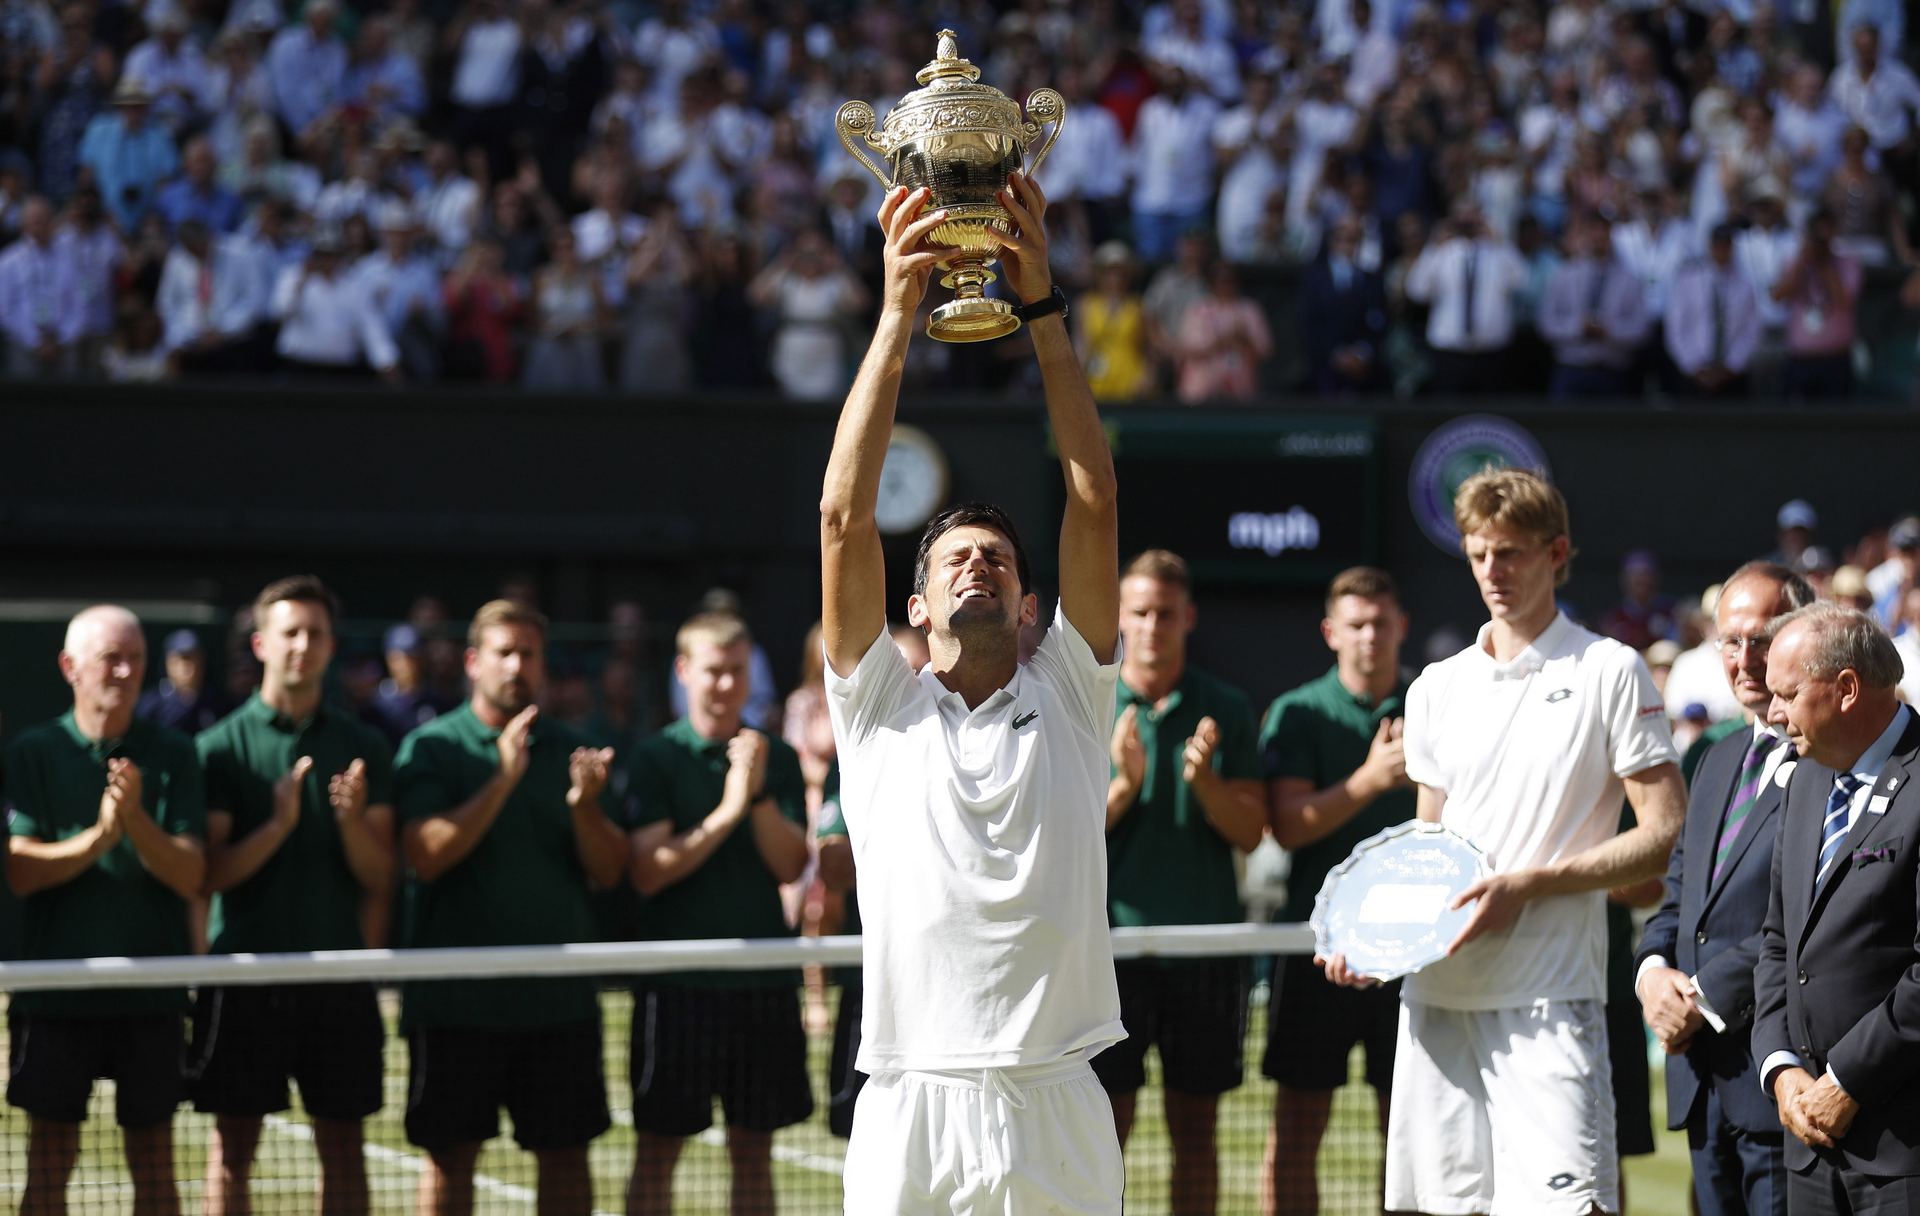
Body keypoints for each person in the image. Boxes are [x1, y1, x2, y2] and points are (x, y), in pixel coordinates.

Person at [819, 173, 1126, 1214]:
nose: (976, 566)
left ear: (1032, 601)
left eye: (996, 556)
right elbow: (841, 518)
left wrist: (1041, 306)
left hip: (1060, 1097)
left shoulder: (1077, 693)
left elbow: (1093, 495)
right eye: (953, 557)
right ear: (914, 603)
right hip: (911, 1099)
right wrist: (899, 314)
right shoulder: (878, 709)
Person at [1321, 468, 1687, 1216]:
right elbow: (1427, 852)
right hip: (1436, 1004)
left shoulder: (1610, 670)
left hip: (1552, 1000)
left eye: (1513, 553)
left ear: (1557, 554)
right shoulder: (1434, 688)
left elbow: (1665, 835)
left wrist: (1526, 886)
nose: (1494, 571)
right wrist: (1376, 944)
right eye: (1481, 553)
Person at [394, 599, 627, 1215]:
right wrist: (501, 775)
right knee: (449, 1160)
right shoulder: (432, 747)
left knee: (566, 1160)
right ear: (473, 662)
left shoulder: (577, 750)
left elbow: (609, 871)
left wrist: (585, 808)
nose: (517, 665)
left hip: (556, 1003)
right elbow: (424, 855)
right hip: (454, 1002)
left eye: (529, 653)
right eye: (504, 652)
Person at [190, 576, 396, 1216]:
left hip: (339, 978)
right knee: (232, 1153)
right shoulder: (219, 747)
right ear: (260, 643)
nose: (302, 646)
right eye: (289, 633)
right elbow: (210, 874)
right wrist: (278, 825)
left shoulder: (364, 746)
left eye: (315, 634)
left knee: (344, 1149)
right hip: (245, 975)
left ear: (333, 647)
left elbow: (380, 875)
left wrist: (351, 822)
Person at [6, 605, 206, 1216]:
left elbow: (192, 875)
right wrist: (98, 837)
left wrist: (135, 821)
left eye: (136, 658)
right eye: (110, 658)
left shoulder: (174, 752)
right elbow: (19, 870)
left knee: (154, 1161)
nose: (126, 671)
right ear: (70, 668)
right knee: (47, 1161)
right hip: (56, 994)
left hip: (150, 995)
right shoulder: (33, 752)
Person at [1634, 562, 1815, 1216]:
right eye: (1730, 642)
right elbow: (1679, 898)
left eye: (1761, 639)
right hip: (1702, 1081)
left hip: (1784, 1078)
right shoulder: (1715, 758)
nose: (1744, 660)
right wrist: (1653, 974)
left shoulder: (1830, 762)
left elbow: (1804, 920)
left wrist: (1702, 997)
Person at [624, 611, 813, 1216]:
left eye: (737, 672)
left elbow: (790, 866)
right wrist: (727, 812)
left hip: (761, 982)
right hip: (678, 985)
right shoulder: (656, 757)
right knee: (658, 1150)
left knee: (753, 1151)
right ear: (684, 672)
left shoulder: (775, 757)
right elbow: (649, 870)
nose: (726, 685)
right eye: (713, 671)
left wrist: (753, 791)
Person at [1095, 549, 1265, 1214]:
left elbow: (1252, 833)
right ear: (1119, 617)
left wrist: (1207, 784)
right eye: (1139, 612)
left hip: (1206, 953)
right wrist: (1123, 787)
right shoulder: (1089, 702)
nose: (1153, 625)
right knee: (1103, 1133)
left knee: (1197, 1135)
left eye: (1166, 613)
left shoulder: (1225, 707)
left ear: (1188, 617)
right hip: (1108, 955)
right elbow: (1053, 839)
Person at [1259, 566, 1416, 1216]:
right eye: (1356, 624)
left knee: (1409, 1133)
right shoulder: (1298, 712)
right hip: (1315, 945)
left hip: (1415, 952)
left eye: (1381, 622)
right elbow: (1289, 826)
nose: (1370, 636)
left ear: (1401, 626)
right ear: (1331, 632)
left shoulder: (1433, 704)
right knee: (1297, 1127)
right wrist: (1373, 779)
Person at [1754, 603, 1920, 1213]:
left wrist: (1846, 1080)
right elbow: (1778, 943)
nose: (1772, 716)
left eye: (1788, 695)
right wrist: (1781, 1068)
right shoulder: (1803, 783)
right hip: (1809, 1145)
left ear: (1846, 689)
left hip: (1903, 1151)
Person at [1666, 223, 1762, 400]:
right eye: (1718, 244)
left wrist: (1731, 366)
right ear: (1710, 245)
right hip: (1694, 374)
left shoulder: (1744, 285)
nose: (1722, 249)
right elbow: (1677, 327)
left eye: (1726, 245)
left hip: (1732, 376)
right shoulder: (1688, 281)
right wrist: (1693, 366)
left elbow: (1751, 330)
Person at [137, 629, 225, 735]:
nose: (190, 666)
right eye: (184, 659)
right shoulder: (150, 705)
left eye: (196, 658)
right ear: (168, 663)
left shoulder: (217, 703)